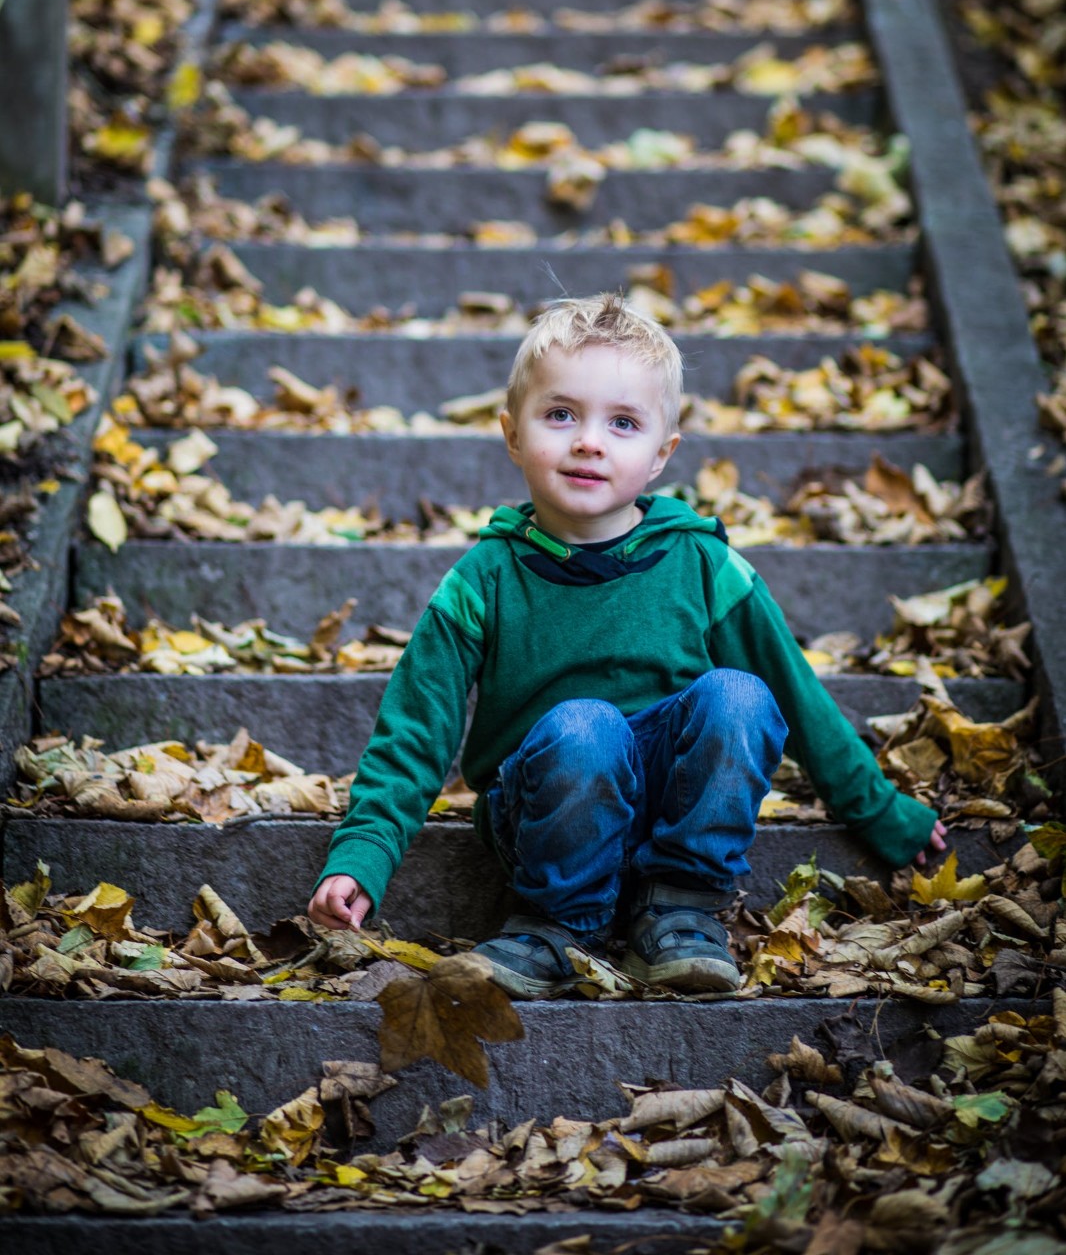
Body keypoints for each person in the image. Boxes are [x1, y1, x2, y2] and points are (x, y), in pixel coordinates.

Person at [308, 293, 947, 998]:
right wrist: (361, 857)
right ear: (512, 433)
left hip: (673, 804)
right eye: (561, 414)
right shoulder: (485, 578)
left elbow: (798, 694)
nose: (589, 440)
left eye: (622, 423)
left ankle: (679, 908)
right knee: (588, 727)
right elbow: (415, 730)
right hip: (545, 807)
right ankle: (557, 923)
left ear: (660, 455)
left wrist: (884, 815)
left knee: (740, 696)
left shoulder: (699, 562)